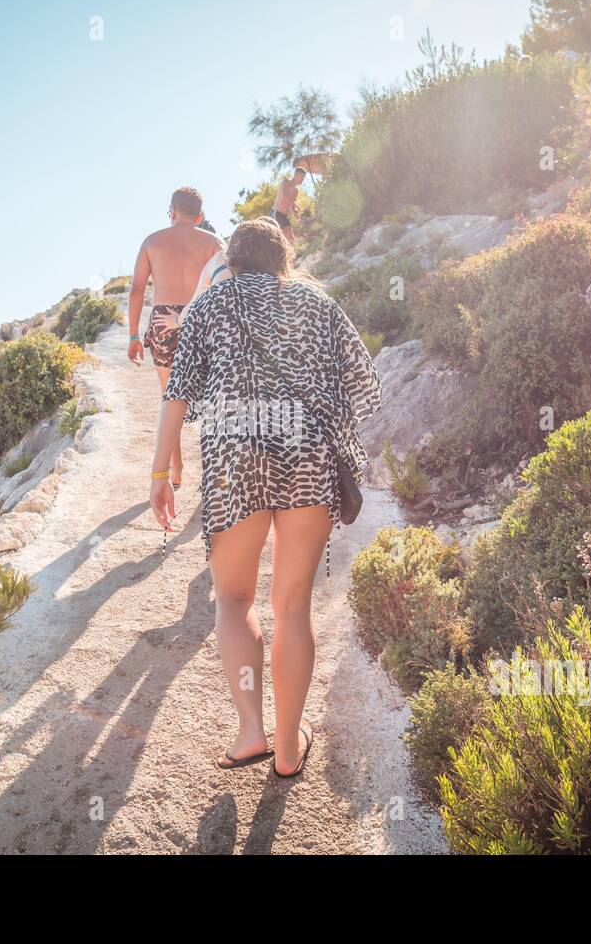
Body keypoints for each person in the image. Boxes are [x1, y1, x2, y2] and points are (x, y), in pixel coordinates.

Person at [147, 217, 381, 777]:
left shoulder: (208, 305)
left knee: (232, 600)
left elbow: (176, 396)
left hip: (235, 465)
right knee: (293, 606)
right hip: (306, 457)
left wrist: (161, 473)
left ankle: (251, 732)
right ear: (285, 257)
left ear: (231, 259)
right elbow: (364, 386)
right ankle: (288, 748)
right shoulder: (318, 304)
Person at [127, 187, 224, 487]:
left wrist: (133, 336)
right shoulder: (215, 243)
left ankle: (175, 470)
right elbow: (225, 287)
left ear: (172, 211)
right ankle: (218, 471)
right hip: (200, 318)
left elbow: (137, 290)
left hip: (163, 322)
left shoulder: (152, 242)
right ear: (199, 216)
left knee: (171, 397)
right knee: (215, 397)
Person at [270, 166, 307, 244]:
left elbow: (291, 207)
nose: (303, 179)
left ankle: (292, 255)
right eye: (302, 177)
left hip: (285, 216)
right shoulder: (286, 182)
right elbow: (285, 197)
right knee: (276, 238)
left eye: (304, 178)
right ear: (296, 175)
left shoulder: (296, 191)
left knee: (290, 238)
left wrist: (298, 217)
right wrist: (296, 205)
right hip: (276, 213)